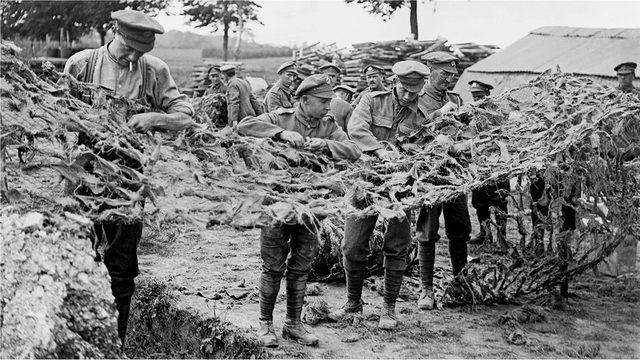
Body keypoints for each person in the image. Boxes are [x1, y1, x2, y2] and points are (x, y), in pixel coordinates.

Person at [63, 10, 194, 344]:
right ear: (114, 31)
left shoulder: (154, 71)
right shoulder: (81, 64)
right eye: (130, 47)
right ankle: (79, 338)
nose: (134, 55)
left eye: (141, 50)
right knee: (80, 256)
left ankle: (116, 343)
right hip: (85, 173)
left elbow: (184, 117)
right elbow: (60, 120)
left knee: (122, 266)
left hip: (130, 177)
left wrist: (152, 118)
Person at [238, 74, 361, 348]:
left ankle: (293, 324)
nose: (328, 107)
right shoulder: (280, 118)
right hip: (276, 205)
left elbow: (354, 150)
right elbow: (245, 126)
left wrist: (327, 145)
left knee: (301, 266)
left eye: (329, 101)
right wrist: (280, 134)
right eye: (322, 101)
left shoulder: (328, 126)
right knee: (272, 267)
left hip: (311, 207)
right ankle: (265, 324)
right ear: (304, 100)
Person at [331, 60, 430, 330]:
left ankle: (389, 308)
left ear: (422, 87)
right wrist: (379, 151)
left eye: (415, 91)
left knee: (397, 246)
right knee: (352, 245)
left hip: (401, 187)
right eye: (405, 90)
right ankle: (353, 303)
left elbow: (425, 145)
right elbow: (356, 128)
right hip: (366, 181)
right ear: (395, 82)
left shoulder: (422, 113)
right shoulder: (372, 100)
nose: (409, 96)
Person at [415, 51, 472, 311]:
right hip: (429, 174)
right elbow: (414, 132)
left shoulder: (455, 99)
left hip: (454, 173)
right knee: (427, 230)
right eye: (444, 74)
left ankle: (460, 283)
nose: (448, 79)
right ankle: (426, 289)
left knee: (460, 227)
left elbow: (464, 130)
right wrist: (439, 114)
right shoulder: (415, 98)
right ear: (430, 71)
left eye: (452, 75)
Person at [466, 81, 510, 246]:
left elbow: (505, 136)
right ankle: (485, 234)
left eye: (480, 96)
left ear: (487, 95)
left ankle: (502, 237)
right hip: (480, 165)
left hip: (498, 165)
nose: (477, 99)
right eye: (474, 96)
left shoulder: (498, 112)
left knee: (500, 201)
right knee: (480, 203)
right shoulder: (472, 112)